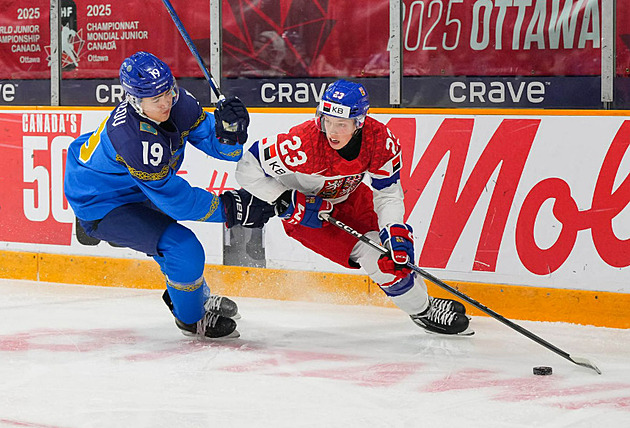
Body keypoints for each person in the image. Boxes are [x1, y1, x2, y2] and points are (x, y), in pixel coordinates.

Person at [235, 79, 471, 335]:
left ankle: (423, 301)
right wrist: (283, 199)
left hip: (351, 197)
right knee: (380, 261)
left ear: (359, 122)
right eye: (327, 121)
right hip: (309, 214)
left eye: (341, 124)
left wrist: (393, 227)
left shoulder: (379, 140)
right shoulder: (303, 144)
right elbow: (247, 168)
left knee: (397, 251)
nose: (332, 131)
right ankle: (423, 312)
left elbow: (388, 192)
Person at [64, 51, 273, 339]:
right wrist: (230, 209)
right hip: (102, 199)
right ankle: (192, 319)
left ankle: (194, 299)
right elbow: (175, 201)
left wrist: (228, 134)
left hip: (133, 185)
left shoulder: (176, 100)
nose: (165, 103)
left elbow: (218, 146)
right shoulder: (134, 139)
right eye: (154, 99)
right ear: (134, 100)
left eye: (167, 91)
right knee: (183, 248)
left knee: (175, 249)